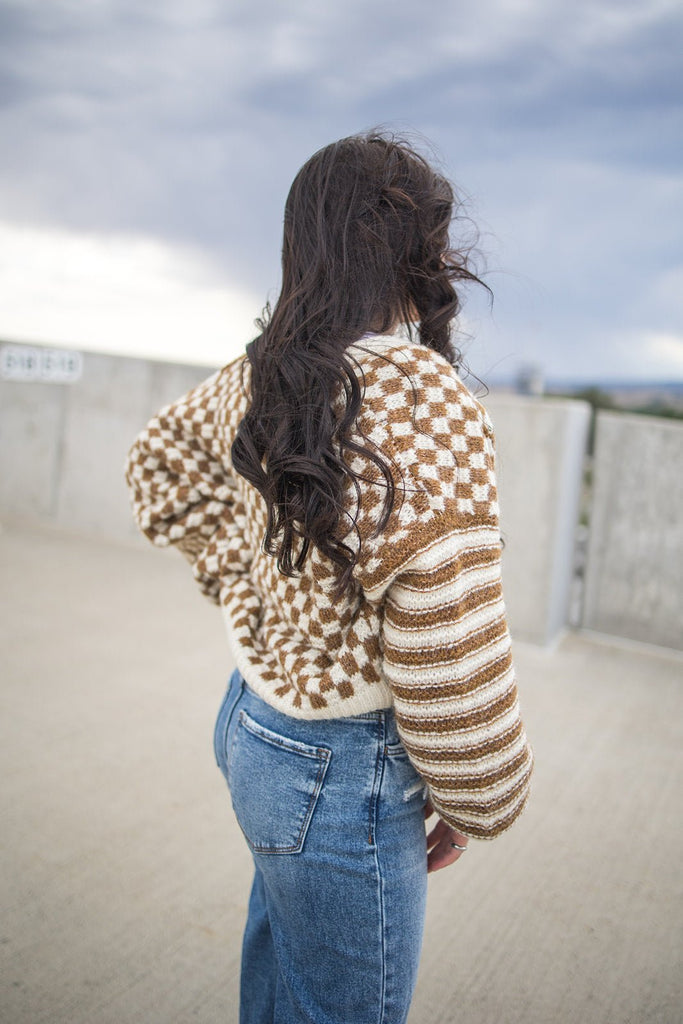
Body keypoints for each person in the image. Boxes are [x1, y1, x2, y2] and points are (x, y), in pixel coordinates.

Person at [126, 131, 533, 1024]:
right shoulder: (422, 398)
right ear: (419, 251)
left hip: (252, 727)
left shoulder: (261, 369)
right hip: (346, 771)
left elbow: (157, 465)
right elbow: (445, 629)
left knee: (278, 983)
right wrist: (477, 794)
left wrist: (248, 587)